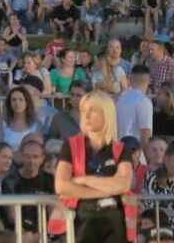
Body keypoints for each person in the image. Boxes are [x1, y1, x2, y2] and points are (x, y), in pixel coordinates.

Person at [52, 91, 136, 243]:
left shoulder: (121, 149)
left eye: (93, 110)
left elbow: (124, 184)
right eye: (83, 110)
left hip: (114, 219)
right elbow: (61, 186)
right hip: (82, 218)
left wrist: (83, 180)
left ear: (107, 114)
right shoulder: (70, 145)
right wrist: (107, 189)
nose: (86, 115)